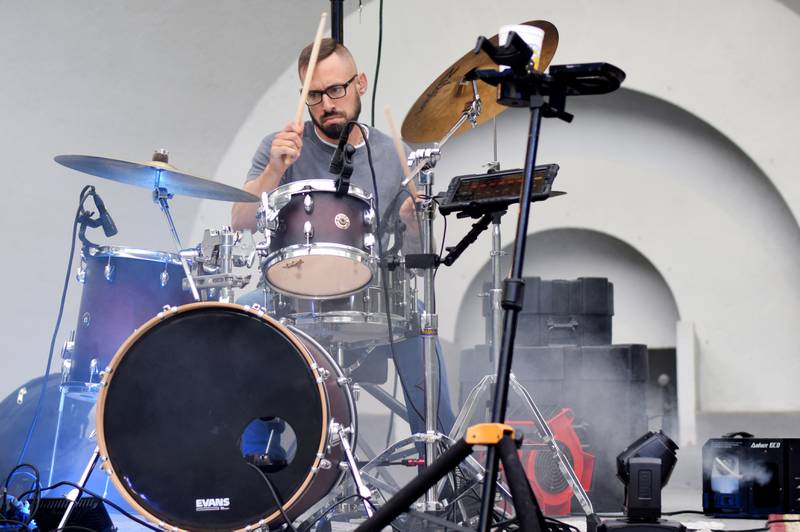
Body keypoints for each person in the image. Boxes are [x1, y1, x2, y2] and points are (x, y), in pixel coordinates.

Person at [231, 39, 455, 444]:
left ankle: (440, 462)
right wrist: (274, 171)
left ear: (360, 83)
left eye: (336, 89)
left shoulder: (393, 154)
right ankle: (252, 469)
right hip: (290, 293)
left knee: (420, 320)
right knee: (240, 321)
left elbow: (417, 251)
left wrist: (416, 220)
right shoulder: (280, 146)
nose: (327, 103)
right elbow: (240, 221)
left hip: (372, 293)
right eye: (313, 94)